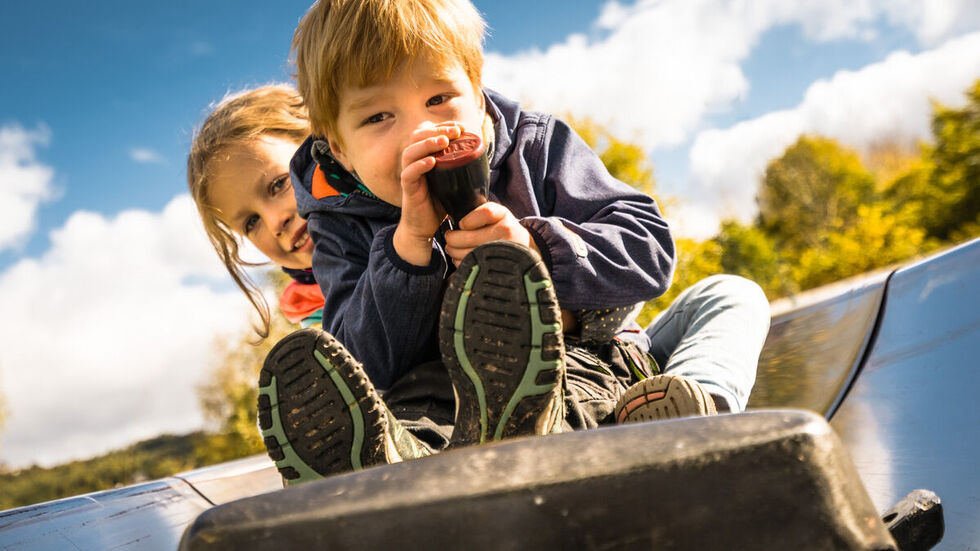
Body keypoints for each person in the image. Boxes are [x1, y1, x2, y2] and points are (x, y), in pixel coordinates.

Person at [246, 0, 772, 486]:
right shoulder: (341, 221)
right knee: (410, 416)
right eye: (379, 117)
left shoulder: (536, 147)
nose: (420, 132)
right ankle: (387, 466)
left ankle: (694, 410)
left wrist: (538, 248)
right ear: (339, 146)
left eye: (438, 98)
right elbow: (361, 361)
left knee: (730, 295)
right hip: (436, 407)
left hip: (586, 363)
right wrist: (407, 251)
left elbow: (648, 249)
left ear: (476, 99)